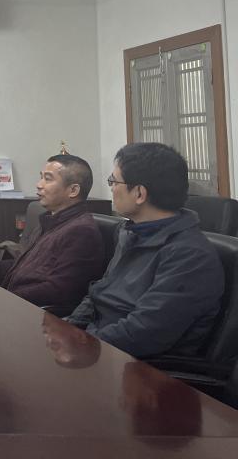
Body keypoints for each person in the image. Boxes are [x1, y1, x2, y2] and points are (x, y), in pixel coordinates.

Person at [66, 142, 224, 359]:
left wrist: (82, 345)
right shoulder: (131, 232)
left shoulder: (190, 256)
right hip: (100, 346)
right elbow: (99, 294)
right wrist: (68, 329)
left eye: (114, 181)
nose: (111, 188)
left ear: (139, 193)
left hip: (139, 366)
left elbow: (143, 333)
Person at [0, 154, 106, 313]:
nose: (39, 185)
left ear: (73, 190)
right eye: (41, 177)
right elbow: (19, 269)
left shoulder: (81, 231)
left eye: (48, 179)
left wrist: (1, 298)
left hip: (38, 317)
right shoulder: (50, 222)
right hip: (16, 305)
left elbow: (58, 290)